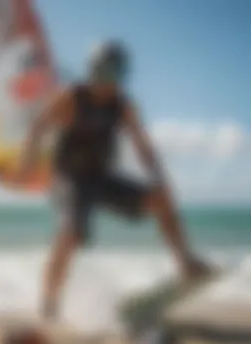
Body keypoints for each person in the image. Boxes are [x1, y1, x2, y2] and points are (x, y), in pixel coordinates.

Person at [16, 40, 212, 324]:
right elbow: (38, 127)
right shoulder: (72, 97)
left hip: (101, 177)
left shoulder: (123, 105)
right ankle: (49, 302)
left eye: (118, 74)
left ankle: (186, 263)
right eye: (106, 73)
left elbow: (143, 145)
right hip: (69, 179)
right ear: (93, 71)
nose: (111, 82)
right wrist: (28, 161)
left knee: (162, 199)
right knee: (71, 233)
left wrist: (160, 178)